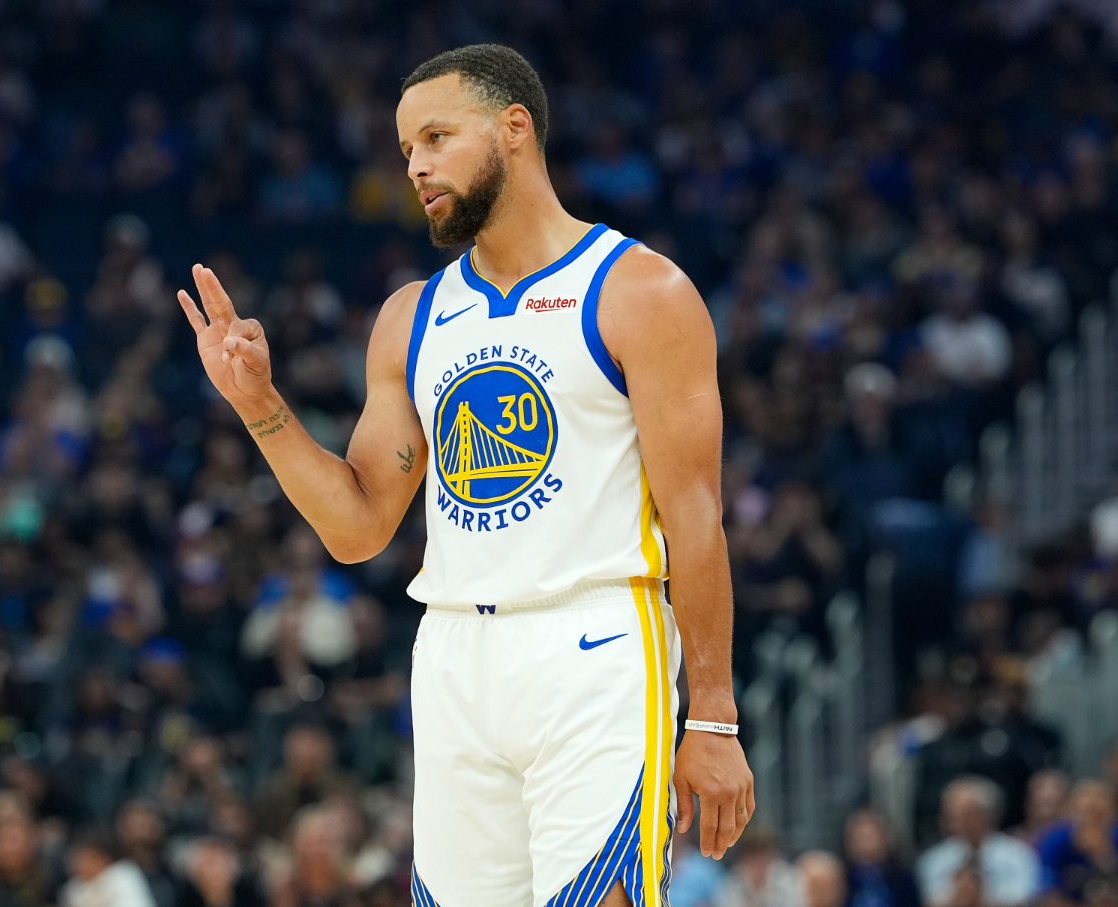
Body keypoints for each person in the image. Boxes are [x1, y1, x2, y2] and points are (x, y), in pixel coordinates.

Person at [178, 42, 753, 907]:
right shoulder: (412, 315)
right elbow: (359, 526)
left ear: (514, 129)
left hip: (594, 641)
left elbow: (697, 516)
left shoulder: (640, 292)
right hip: (450, 650)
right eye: (407, 148)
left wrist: (710, 715)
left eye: (437, 138)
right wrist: (260, 404)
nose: (416, 166)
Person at [915, 777, 1039, 907]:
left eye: (966, 815)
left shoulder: (1018, 855)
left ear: (987, 814)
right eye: (950, 816)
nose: (955, 823)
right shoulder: (934, 861)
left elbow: (1023, 899)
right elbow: (929, 900)